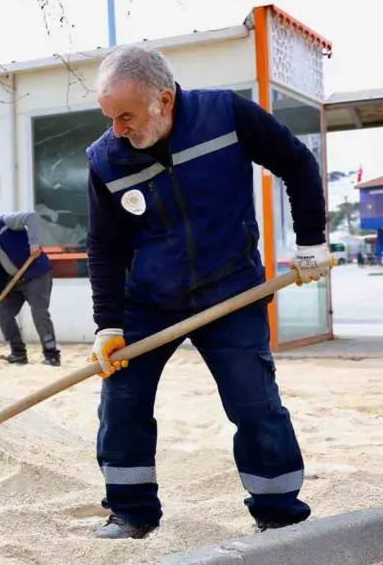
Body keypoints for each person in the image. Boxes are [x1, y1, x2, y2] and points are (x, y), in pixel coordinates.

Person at [84, 45, 331, 539]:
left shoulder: (227, 115)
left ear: (164, 99)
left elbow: (297, 163)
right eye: (109, 117)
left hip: (230, 289)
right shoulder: (106, 159)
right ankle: (131, 512)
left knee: (254, 404)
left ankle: (278, 512)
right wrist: (108, 324)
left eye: (126, 116)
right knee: (122, 403)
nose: (118, 129)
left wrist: (310, 243)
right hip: (149, 300)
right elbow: (105, 246)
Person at [0, 205, 61, 366]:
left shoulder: (6, 221)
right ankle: (18, 353)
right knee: (3, 311)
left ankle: (51, 354)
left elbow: (31, 217)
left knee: (39, 313)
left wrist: (34, 244)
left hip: (36, 274)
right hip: (16, 281)